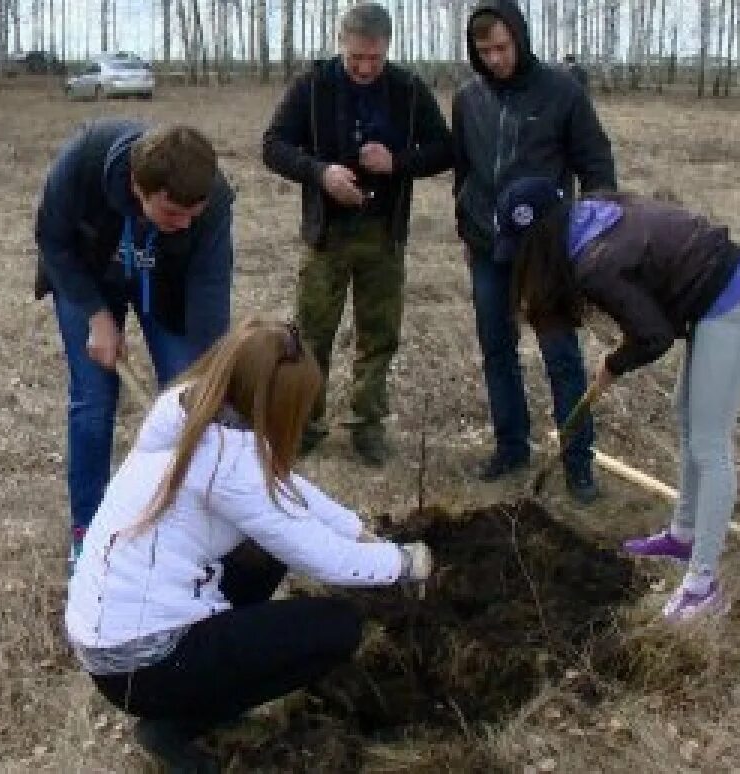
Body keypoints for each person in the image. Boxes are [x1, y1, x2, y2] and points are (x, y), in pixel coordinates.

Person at [65, 319, 435, 772]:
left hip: (107, 642)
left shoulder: (186, 409)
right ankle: (178, 725)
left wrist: (357, 529)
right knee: (337, 627)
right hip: (144, 665)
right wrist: (403, 562)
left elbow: (287, 488)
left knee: (266, 555)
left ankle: (194, 693)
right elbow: (325, 558)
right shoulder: (229, 461)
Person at [497, 177, 740, 622]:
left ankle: (703, 586)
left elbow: (654, 336)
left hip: (730, 301)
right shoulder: (587, 221)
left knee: (709, 445)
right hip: (707, 299)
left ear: (540, 240)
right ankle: (683, 536)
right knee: (686, 418)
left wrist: (615, 363)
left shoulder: (592, 263)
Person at [34, 120, 235, 565]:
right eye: (171, 214)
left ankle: (181, 525)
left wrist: (206, 377)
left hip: (166, 284)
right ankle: (88, 530)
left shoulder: (213, 198)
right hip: (88, 276)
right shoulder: (84, 161)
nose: (184, 226)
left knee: (189, 399)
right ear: (136, 186)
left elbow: (209, 291)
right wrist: (96, 315)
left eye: (192, 215)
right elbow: (52, 239)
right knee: (93, 398)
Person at [262, 2, 453, 466]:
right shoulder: (312, 87)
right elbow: (273, 145)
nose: (365, 68)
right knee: (312, 334)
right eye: (355, 59)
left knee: (379, 334)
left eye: (374, 59)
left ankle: (367, 425)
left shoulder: (407, 89)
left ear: (387, 48)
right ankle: (307, 421)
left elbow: (445, 148)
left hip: (383, 235)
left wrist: (398, 163)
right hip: (325, 237)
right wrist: (320, 172)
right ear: (340, 46)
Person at [453, 0, 617, 503]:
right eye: (484, 52)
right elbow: (464, 169)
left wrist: (592, 232)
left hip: (548, 254)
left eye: (502, 48)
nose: (495, 59)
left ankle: (578, 463)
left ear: (520, 39)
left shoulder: (562, 93)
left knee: (560, 356)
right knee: (496, 349)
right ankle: (510, 447)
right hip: (488, 247)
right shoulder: (467, 99)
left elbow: (598, 167)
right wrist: (466, 225)